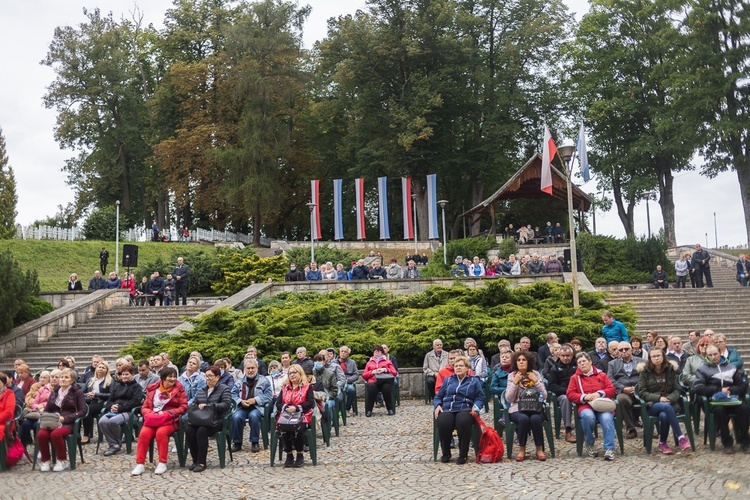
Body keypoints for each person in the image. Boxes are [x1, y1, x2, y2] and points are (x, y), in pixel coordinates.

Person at [693, 344, 750, 453]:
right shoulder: (702, 369)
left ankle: (745, 441)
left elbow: (743, 385)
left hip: (732, 400)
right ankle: (727, 442)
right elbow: (698, 388)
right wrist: (718, 390)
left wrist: (731, 390)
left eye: (715, 354)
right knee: (720, 411)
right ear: (707, 356)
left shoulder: (732, 367)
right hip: (715, 402)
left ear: (720, 353)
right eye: (710, 355)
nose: (713, 357)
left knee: (744, 410)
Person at [131, 367, 187, 475]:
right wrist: (149, 413)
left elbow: (184, 407)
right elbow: (145, 407)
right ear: (163, 378)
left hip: (170, 420)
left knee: (161, 433)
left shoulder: (179, 390)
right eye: (170, 376)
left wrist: (170, 413)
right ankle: (140, 463)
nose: (173, 379)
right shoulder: (153, 390)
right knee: (144, 433)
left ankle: (162, 462)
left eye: (174, 376)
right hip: (153, 419)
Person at [637, 348, 692, 454]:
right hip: (652, 405)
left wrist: (670, 399)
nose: (656, 358)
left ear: (663, 356)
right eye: (654, 356)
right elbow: (642, 392)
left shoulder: (670, 369)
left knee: (664, 415)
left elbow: (677, 389)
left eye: (659, 355)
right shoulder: (645, 371)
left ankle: (662, 443)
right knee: (665, 407)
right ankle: (681, 437)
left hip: (671, 403)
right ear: (650, 358)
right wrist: (658, 398)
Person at [433, 355, 484, 464]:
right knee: (443, 422)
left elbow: (480, 397)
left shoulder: (474, 381)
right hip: (448, 407)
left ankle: (463, 454)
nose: (458, 368)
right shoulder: (448, 380)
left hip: (465, 407)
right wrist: (438, 405)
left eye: (461, 366)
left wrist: (476, 406)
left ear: (467, 368)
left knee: (463, 422)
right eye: (456, 366)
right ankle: (446, 453)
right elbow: (438, 396)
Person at [567, 352, 617, 461]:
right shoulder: (575, 378)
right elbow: (570, 394)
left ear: (590, 362)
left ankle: (609, 448)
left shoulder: (601, 375)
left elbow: (611, 389)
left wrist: (599, 393)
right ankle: (589, 443)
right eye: (579, 362)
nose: (582, 364)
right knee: (588, 417)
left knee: (607, 418)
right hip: (586, 406)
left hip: (602, 405)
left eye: (584, 361)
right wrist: (584, 397)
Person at [37, 368, 86, 472]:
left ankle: (62, 460)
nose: (63, 379)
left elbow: (82, 411)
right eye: (62, 377)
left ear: (72, 380)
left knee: (56, 434)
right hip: (53, 422)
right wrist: (45, 417)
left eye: (66, 377)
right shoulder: (54, 392)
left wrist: (66, 418)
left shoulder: (77, 392)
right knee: (41, 434)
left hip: (69, 423)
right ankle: (45, 460)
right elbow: (47, 409)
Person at [185, 366, 232, 472]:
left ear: (217, 377)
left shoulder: (224, 389)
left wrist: (209, 406)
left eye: (210, 376)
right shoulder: (202, 390)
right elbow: (195, 403)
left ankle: (201, 462)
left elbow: (226, 405)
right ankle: (195, 460)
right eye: (206, 376)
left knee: (202, 431)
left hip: (216, 420)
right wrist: (196, 407)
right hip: (201, 419)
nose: (208, 378)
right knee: (189, 430)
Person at [505, 351, 548, 461]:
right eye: (519, 360)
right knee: (523, 419)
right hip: (517, 408)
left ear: (529, 362)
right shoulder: (512, 376)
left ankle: (539, 448)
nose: (521, 362)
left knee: (535, 419)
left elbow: (544, 395)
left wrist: (536, 381)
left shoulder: (536, 374)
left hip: (535, 407)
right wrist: (515, 383)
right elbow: (509, 399)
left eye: (524, 360)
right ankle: (521, 449)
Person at [98, 364, 143, 456]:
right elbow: (110, 399)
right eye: (122, 374)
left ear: (132, 374)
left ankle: (116, 443)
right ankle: (114, 444)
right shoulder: (117, 386)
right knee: (102, 421)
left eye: (127, 374)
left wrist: (120, 408)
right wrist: (111, 407)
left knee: (113, 422)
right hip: (114, 411)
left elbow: (135, 402)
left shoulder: (136, 387)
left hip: (130, 412)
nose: (124, 376)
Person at [276, 364, 314, 467]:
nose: (292, 375)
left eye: (294, 372)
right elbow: (278, 403)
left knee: (298, 428)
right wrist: (286, 408)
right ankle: (289, 454)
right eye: (290, 373)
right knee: (284, 429)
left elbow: (310, 403)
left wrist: (296, 408)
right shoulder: (285, 388)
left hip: (303, 415)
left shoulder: (307, 387)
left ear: (300, 373)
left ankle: (299, 454)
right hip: (286, 415)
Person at [230, 359, 272, 453]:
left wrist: (255, 400)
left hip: (257, 407)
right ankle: (237, 443)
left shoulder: (264, 381)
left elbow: (269, 395)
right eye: (248, 368)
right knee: (236, 417)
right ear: (244, 369)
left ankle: (254, 442)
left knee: (254, 416)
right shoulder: (239, 382)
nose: (250, 370)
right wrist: (240, 401)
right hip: (242, 407)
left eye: (252, 368)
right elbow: (233, 395)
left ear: (257, 368)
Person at [607, 341, 644, 440]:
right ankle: (631, 428)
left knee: (648, 398)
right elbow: (610, 379)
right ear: (618, 352)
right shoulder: (612, 364)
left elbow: (646, 377)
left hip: (640, 390)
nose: (624, 351)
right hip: (623, 391)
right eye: (621, 350)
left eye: (626, 349)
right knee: (621, 400)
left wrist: (636, 388)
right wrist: (623, 388)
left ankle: (649, 427)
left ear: (631, 350)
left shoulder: (641, 361)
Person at [547, 344, 577, 443]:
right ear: (559, 356)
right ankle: (568, 430)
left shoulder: (577, 365)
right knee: (566, 399)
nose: (565, 358)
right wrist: (566, 391)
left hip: (577, 392)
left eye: (567, 356)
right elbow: (551, 386)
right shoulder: (555, 368)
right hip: (563, 394)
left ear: (572, 355)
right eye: (563, 356)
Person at [81, 361, 113, 444]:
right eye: (99, 367)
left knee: (87, 411)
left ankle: (86, 435)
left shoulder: (109, 381)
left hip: (101, 402)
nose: (101, 369)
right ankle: (76, 434)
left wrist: (96, 394)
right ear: (96, 369)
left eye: (103, 368)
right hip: (89, 401)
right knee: (78, 409)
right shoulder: (90, 380)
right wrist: (87, 394)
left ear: (107, 370)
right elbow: (82, 392)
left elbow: (111, 395)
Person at [362, 345, 398, 417]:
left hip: (384, 381)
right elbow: (364, 375)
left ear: (382, 353)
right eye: (375, 352)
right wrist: (372, 372)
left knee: (387, 388)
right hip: (373, 381)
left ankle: (389, 408)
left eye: (379, 352)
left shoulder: (387, 361)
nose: (377, 353)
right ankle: (369, 410)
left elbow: (394, 372)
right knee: (371, 387)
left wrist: (385, 370)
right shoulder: (369, 363)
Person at [338, 346, 359, 413]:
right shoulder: (333, 362)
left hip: (348, 382)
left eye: (345, 352)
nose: (343, 353)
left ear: (348, 354)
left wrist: (348, 380)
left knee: (352, 390)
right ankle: (338, 409)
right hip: (337, 383)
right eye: (342, 351)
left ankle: (347, 408)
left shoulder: (352, 362)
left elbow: (356, 375)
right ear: (339, 352)